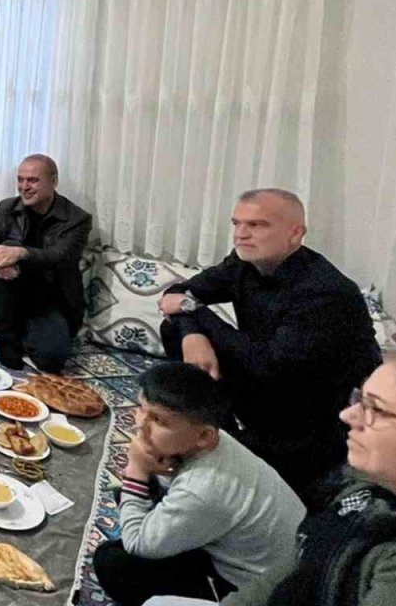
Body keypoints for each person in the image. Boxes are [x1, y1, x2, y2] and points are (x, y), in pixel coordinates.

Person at [218, 350, 396, 606]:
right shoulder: (378, 488)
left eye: (377, 410)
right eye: (359, 399)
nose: (348, 415)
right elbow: (298, 567)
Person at [158, 188, 380, 503]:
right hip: (265, 383)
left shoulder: (324, 292)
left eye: (257, 225)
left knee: (230, 493)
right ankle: (212, 430)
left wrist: (195, 311)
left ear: (295, 234)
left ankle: (225, 450)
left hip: (310, 418)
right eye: (236, 224)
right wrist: (193, 332)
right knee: (175, 330)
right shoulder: (243, 263)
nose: (241, 234)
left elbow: (270, 364)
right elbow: (178, 294)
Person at [92, 363, 306, 606]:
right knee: (138, 495)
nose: (141, 424)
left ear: (204, 435)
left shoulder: (202, 488)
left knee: (112, 561)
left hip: (251, 591)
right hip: (268, 556)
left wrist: (136, 471)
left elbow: (137, 544)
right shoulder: (212, 440)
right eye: (142, 408)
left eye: (159, 420)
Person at [0, 154, 91, 372]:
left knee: (51, 360)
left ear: (53, 181)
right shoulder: (8, 207)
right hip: (4, 290)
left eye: (33, 180)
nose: (24, 187)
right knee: (2, 259)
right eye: (20, 179)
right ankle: (8, 338)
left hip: (48, 299)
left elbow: (61, 256)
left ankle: (20, 330)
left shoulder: (77, 219)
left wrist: (21, 253)